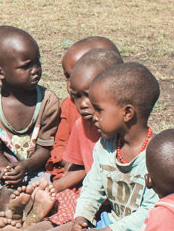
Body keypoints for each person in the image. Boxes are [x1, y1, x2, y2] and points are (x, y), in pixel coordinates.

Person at [0, 63, 160, 231]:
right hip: (111, 221)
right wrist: (82, 217)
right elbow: (93, 185)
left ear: (127, 113)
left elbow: (152, 212)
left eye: (100, 110)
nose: (95, 117)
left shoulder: (155, 156)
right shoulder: (108, 145)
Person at [17, 48, 123, 228]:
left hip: (121, 200)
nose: (82, 104)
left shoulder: (124, 129)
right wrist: (54, 188)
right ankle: (29, 229)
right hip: (91, 193)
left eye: (88, 95)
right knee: (64, 203)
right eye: (76, 95)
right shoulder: (82, 126)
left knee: (79, 215)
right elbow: (80, 169)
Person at [0, 25, 60, 219]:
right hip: (9, 174)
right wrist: (7, 169)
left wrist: (26, 166)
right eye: (26, 66)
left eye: (37, 62)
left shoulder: (48, 101)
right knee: (5, 194)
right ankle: (12, 210)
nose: (36, 70)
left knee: (47, 189)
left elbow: (46, 148)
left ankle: (34, 210)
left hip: (38, 170)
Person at [46, 37, 120, 196]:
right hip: (72, 171)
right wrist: (65, 159)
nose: (70, 85)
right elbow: (61, 141)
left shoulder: (120, 118)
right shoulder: (71, 107)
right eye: (68, 77)